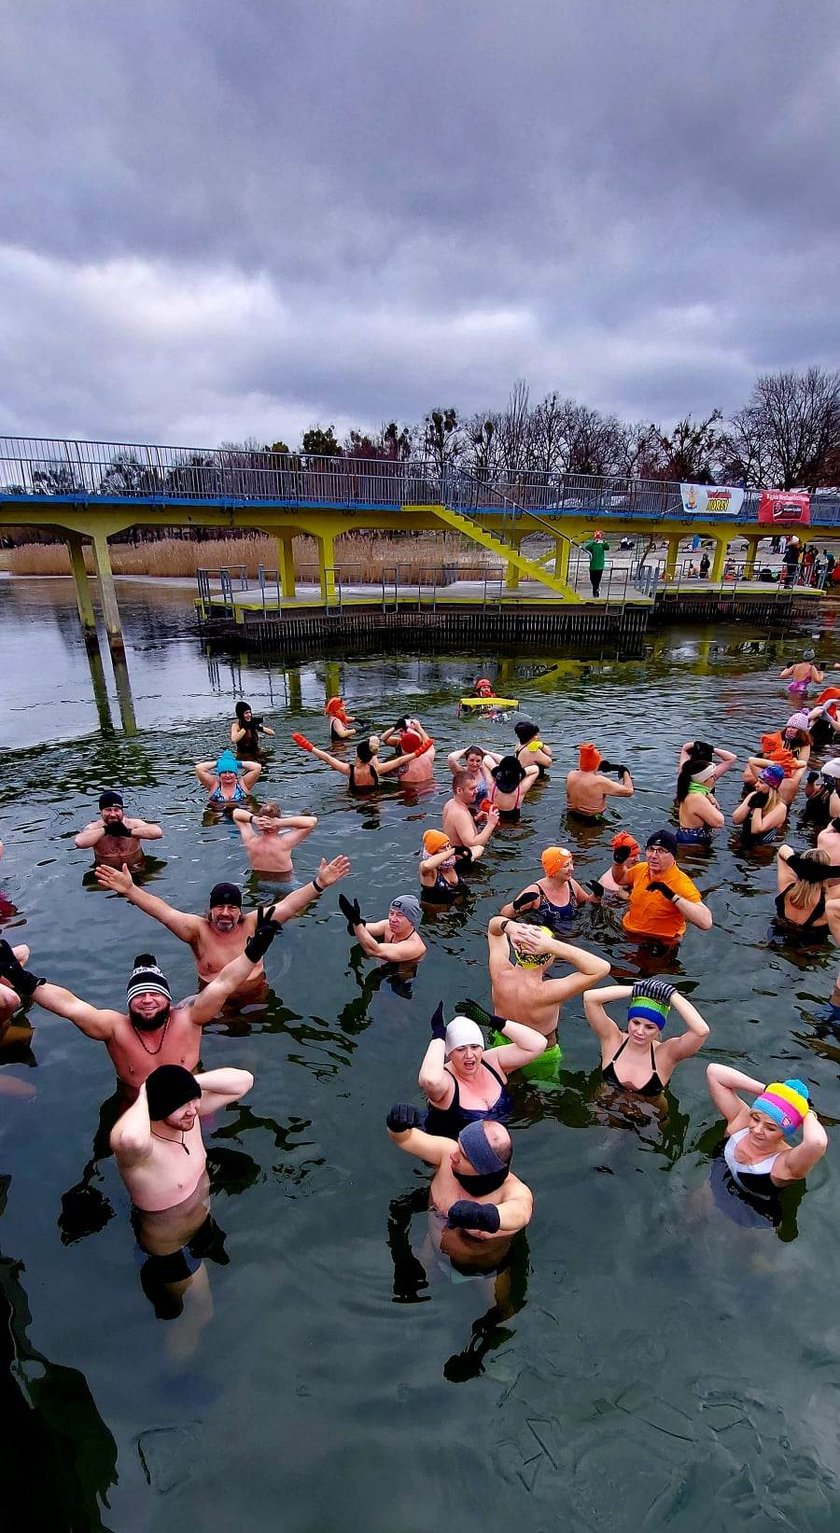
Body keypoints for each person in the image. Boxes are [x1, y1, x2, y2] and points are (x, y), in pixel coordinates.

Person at [0, 925, 277, 1095]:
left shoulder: (191, 1017)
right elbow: (70, 1006)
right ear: (128, 1002)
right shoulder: (114, 1028)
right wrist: (23, 979)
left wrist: (252, 953)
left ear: (168, 999)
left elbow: (224, 984)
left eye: (154, 994)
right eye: (139, 995)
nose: (147, 1000)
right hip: (134, 1107)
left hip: (189, 1102)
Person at [94, 857, 350, 987]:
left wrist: (320, 884)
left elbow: (289, 905)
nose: (225, 913)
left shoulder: (254, 922)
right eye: (219, 907)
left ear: (240, 911)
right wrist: (130, 890)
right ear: (209, 909)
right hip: (215, 1010)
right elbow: (163, 911)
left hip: (257, 1000)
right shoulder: (197, 930)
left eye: (231, 907)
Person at [385, 1111, 533, 1271]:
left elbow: (521, 1212)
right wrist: (397, 1124)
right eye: (459, 1145)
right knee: (415, 1286)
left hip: (482, 1271)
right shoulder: (447, 1153)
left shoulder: (511, 1191)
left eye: (463, 1155)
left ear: (481, 1168)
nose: (453, 1156)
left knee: (498, 1297)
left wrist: (482, 1216)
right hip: (434, 1246)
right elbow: (406, 1139)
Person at [111, 1063, 254, 1212]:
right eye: (182, 1104)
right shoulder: (143, 1151)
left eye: (194, 1099)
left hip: (207, 1220)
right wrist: (145, 1095)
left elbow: (245, 1081)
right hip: (169, 1234)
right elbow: (129, 1139)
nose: (192, 1110)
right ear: (160, 1109)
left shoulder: (190, 1118)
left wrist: (187, 1082)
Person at [485, 916, 610, 1059]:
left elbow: (494, 930)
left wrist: (511, 926)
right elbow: (601, 968)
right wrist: (553, 945)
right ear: (550, 956)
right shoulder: (547, 992)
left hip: (502, 1041)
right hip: (539, 1053)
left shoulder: (499, 974)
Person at [418, 1005, 546, 1136]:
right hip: (454, 1152)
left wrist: (493, 1021)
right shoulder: (446, 1081)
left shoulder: (491, 1061)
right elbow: (430, 1080)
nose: (469, 1055)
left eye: (474, 1047)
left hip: (501, 1144)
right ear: (449, 1053)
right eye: (460, 1049)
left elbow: (537, 1044)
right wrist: (438, 1035)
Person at [706, 1065, 827, 1201]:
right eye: (755, 1119)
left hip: (750, 1216)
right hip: (712, 1188)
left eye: (770, 1128)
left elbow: (817, 1142)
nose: (757, 1130)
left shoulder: (785, 1164)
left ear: (785, 1133)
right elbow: (714, 1072)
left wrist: (807, 1113)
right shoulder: (741, 1123)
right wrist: (769, 1091)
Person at [584, 978, 709, 1097]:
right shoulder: (613, 1039)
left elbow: (701, 1031)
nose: (640, 1031)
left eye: (649, 1027)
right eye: (636, 1023)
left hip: (650, 1117)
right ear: (629, 1020)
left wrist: (672, 995)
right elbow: (590, 998)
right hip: (604, 1110)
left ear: (659, 1029)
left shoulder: (666, 1054)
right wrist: (635, 989)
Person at [611, 828, 712, 944]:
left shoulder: (680, 882)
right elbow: (619, 879)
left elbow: (706, 922)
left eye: (661, 851)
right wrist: (618, 863)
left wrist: (672, 896)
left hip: (660, 942)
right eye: (651, 849)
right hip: (629, 933)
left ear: (673, 855)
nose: (653, 855)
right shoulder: (642, 868)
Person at [291, 732, 427, 791]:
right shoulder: (377, 769)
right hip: (374, 798)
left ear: (357, 755)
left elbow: (326, 757)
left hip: (353, 797)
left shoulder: (348, 770)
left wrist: (308, 746)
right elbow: (400, 760)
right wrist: (418, 752)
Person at [500, 846, 595, 932]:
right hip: (547, 938)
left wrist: (597, 895)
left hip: (573, 932)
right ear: (553, 870)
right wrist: (517, 905)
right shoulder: (536, 892)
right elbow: (504, 915)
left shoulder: (571, 884)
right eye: (566, 865)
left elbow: (587, 902)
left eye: (571, 863)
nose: (572, 868)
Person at [74, 791, 163, 869]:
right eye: (108, 810)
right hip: (107, 872)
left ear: (122, 811)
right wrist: (106, 830)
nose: (113, 814)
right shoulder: (94, 828)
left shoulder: (133, 824)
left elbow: (157, 832)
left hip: (137, 866)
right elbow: (80, 842)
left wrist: (129, 832)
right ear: (101, 812)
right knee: (90, 888)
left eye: (116, 810)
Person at [772, 846, 840, 942]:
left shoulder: (786, 887)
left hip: (777, 936)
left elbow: (783, 849)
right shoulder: (829, 902)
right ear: (826, 874)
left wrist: (793, 860)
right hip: (809, 949)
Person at [339, 892, 427, 964]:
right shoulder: (387, 926)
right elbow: (354, 931)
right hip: (382, 965)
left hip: (399, 975)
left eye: (400, 915)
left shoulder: (414, 946)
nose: (393, 919)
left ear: (411, 920)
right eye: (391, 913)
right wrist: (353, 919)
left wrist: (357, 923)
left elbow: (373, 951)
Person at [231, 802, 317, 875]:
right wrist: (279, 822)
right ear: (278, 820)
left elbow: (236, 813)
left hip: (259, 879)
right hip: (283, 881)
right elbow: (312, 822)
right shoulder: (284, 843)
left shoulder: (250, 841)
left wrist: (255, 820)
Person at [566, 743, 634, 823]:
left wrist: (596, 766)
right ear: (596, 763)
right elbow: (629, 791)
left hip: (571, 815)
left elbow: (585, 771)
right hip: (592, 820)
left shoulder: (571, 775)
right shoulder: (600, 782)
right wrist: (625, 771)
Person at [442, 772, 500, 853]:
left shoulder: (450, 803)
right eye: (472, 789)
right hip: (462, 862)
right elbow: (472, 845)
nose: (476, 791)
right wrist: (491, 824)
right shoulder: (460, 814)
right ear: (459, 790)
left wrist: (476, 820)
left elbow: (458, 829)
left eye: (476, 787)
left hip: (453, 854)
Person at [419, 830, 481, 902]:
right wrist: (453, 851)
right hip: (438, 908)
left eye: (448, 845)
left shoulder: (453, 862)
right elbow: (427, 865)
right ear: (434, 851)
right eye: (443, 848)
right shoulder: (430, 871)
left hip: (458, 902)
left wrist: (469, 857)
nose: (447, 849)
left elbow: (479, 848)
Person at [731, 765, 788, 844]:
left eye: (761, 782)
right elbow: (735, 820)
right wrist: (750, 804)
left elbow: (756, 830)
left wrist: (758, 806)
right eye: (757, 781)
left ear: (771, 786)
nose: (756, 785)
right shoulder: (754, 795)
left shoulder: (780, 808)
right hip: (744, 840)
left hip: (762, 848)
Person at [675, 760, 725, 845]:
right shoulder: (697, 798)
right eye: (712, 776)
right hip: (692, 843)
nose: (715, 779)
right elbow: (719, 822)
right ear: (702, 780)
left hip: (686, 838)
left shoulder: (688, 792)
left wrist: (711, 798)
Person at [195, 750, 262, 805]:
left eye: (230, 772)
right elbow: (199, 768)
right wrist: (218, 763)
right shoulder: (214, 785)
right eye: (224, 772)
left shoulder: (242, 784)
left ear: (235, 774)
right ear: (219, 775)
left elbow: (257, 767)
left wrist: (236, 763)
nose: (227, 775)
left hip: (241, 815)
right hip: (217, 815)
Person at [446, 744, 500, 809]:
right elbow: (451, 758)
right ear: (466, 760)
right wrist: (467, 749)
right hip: (468, 809)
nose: (475, 764)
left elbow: (505, 761)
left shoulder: (484, 771)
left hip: (485, 808)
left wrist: (485, 752)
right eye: (471, 760)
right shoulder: (461, 772)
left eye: (478, 761)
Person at [487, 755, 539, 822]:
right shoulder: (521, 789)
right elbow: (535, 769)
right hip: (514, 826)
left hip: (494, 824)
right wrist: (520, 773)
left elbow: (486, 759)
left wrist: (497, 770)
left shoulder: (492, 786)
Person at [593, 831, 641, 897]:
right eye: (633, 855)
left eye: (638, 854)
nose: (638, 859)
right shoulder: (612, 884)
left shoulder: (632, 869)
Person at [583, 531, 609, 597]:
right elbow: (587, 547)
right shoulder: (592, 545)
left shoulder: (602, 545)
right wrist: (594, 542)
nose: (598, 539)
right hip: (593, 566)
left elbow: (607, 547)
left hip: (600, 566)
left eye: (598, 537)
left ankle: (595, 593)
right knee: (592, 579)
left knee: (597, 581)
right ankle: (596, 590)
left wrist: (604, 541)